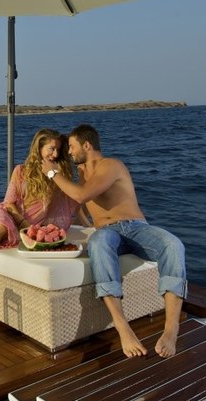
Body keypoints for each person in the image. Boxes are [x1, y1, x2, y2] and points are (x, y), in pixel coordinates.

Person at [42, 124, 187, 358]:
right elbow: (77, 202)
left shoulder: (111, 165)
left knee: (173, 245)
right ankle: (123, 327)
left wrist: (52, 172)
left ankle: (171, 329)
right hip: (107, 233)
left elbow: (81, 195)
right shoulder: (80, 175)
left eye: (71, 147)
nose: (68, 152)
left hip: (136, 228)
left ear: (87, 145)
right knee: (99, 242)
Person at [0, 128, 87, 303]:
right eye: (51, 149)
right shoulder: (21, 171)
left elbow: (73, 201)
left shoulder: (56, 177)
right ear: (39, 148)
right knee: (0, 226)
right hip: (5, 213)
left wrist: (87, 223)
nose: (55, 154)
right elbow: (8, 203)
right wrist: (22, 222)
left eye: (58, 150)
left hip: (21, 227)